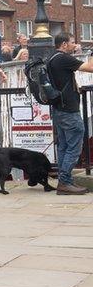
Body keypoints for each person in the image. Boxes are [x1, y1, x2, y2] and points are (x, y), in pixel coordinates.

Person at [47, 33, 93, 195]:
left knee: (64, 146)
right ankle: (65, 182)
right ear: (64, 44)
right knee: (74, 146)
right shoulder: (63, 58)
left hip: (59, 109)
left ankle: (64, 180)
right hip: (69, 111)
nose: (75, 45)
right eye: (73, 43)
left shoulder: (52, 58)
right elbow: (90, 68)